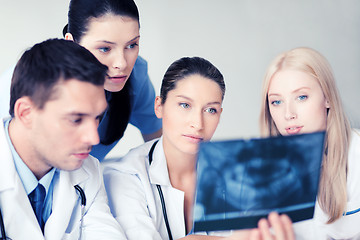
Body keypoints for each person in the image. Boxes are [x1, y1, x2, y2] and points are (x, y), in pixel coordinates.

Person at [103, 56, 295, 240]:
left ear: (220, 114)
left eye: (210, 110)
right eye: (185, 105)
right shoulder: (124, 175)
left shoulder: (244, 173)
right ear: (159, 106)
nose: (198, 123)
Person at [0, 0, 162, 161]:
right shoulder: (25, 82)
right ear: (71, 42)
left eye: (132, 45)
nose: (121, 64)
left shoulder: (135, 75)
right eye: (104, 48)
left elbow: (161, 147)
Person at [0, 38, 125, 239]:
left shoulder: (88, 171)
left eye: (97, 118)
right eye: (76, 120)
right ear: (25, 113)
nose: (94, 138)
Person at [259, 47, 360, 239]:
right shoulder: (261, 171)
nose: (289, 114)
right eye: (276, 102)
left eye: (301, 97)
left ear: (327, 98)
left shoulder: (357, 154)